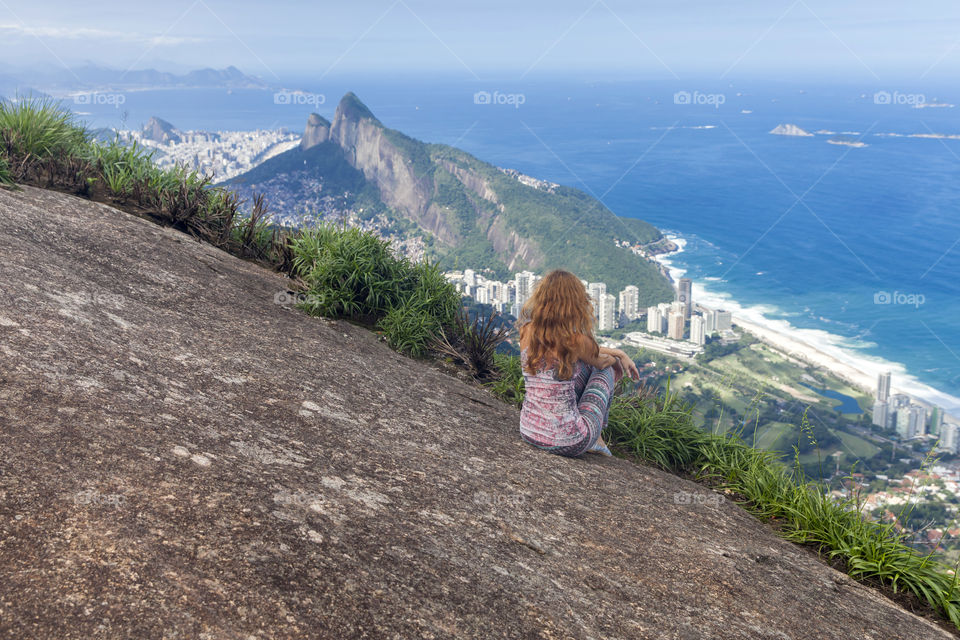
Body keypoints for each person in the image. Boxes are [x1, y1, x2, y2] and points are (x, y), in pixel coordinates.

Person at [517, 270, 640, 458]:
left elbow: (587, 353)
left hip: (529, 431)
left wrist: (618, 352)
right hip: (570, 441)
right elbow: (599, 359)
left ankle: (593, 435)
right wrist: (617, 358)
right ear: (573, 303)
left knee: (582, 364)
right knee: (606, 367)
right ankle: (597, 438)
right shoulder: (575, 341)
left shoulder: (526, 331)